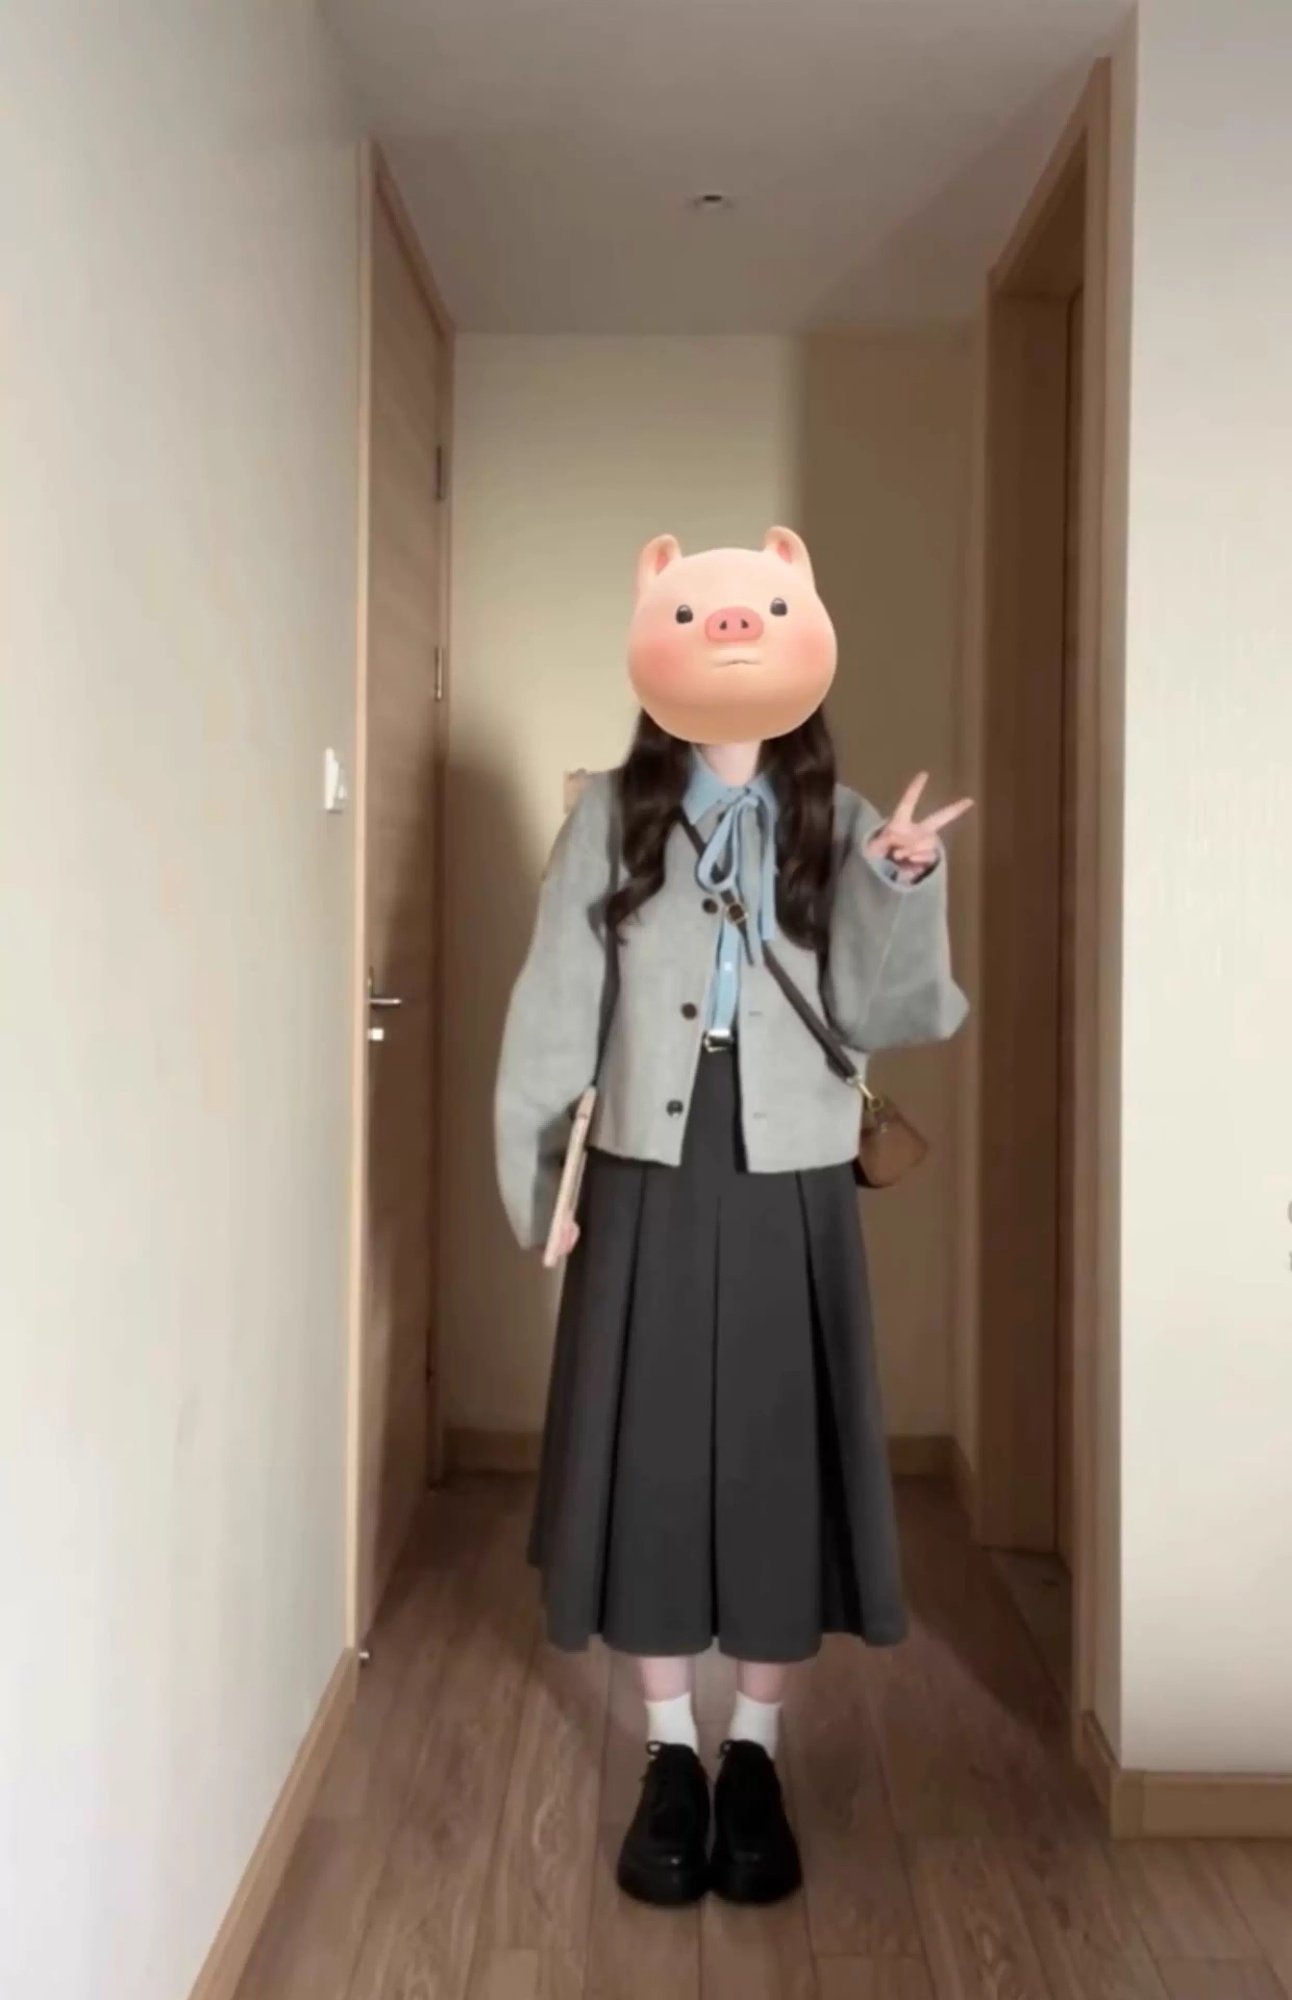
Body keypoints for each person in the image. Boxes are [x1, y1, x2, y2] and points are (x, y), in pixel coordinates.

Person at [495, 526, 970, 1907]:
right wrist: (542, 1185)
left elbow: (887, 1011)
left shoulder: (844, 819)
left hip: (795, 1171)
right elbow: (553, 1009)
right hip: (643, 1165)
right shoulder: (609, 816)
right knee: (647, 1452)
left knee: (775, 1449)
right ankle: (668, 1753)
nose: (730, 635)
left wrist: (899, 882)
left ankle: (752, 1751)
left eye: (759, 610)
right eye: (700, 616)